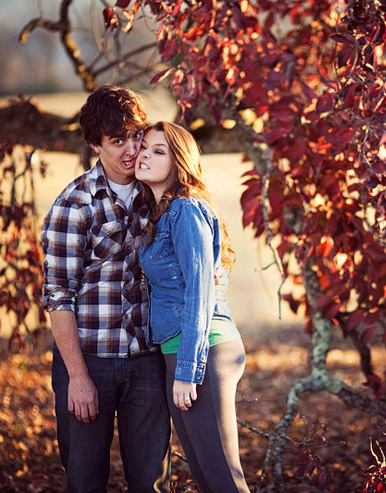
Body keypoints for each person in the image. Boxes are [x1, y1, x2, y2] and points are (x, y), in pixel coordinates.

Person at [41, 86, 171, 493]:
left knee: (151, 482)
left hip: (147, 361)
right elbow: (58, 296)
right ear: (95, 145)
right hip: (89, 363)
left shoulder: (158, 196)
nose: (133, 150)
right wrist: (78, 378)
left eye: (137, 136)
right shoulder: (73, 205)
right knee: (85, 482)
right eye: (119, 141)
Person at [136, 121, 250, 492]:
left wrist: (187, 370)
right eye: (144, 147)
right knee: (205, 477)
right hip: (179, 350)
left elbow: (200, 292)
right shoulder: (160, 214)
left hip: (205, 352)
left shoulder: (186, 210)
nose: (144, 155)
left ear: (179, 161)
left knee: (223, 479)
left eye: (158, 151)